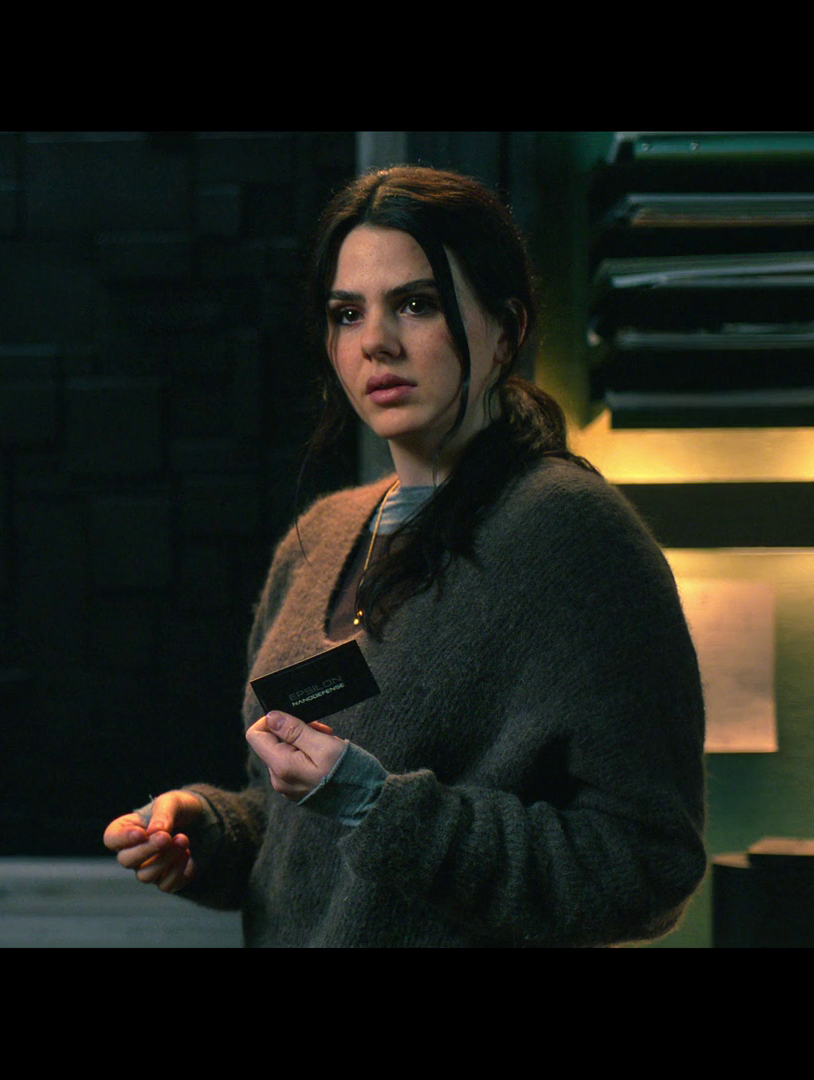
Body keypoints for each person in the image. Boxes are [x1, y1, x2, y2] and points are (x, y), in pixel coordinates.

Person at [103, 166, 706, 946]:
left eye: (416, 304)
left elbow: (646, 865)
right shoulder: (322, 535)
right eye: (347, 313)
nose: (376, 343)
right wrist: (209, 833)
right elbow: (296, 830)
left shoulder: (570, 536)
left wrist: (377, 807)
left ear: (506, 329)